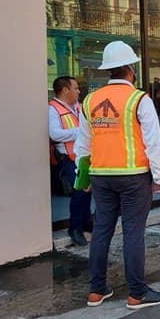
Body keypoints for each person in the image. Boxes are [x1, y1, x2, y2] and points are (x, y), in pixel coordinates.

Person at [75, 41, 160, 310]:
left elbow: (82, 145)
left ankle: (96, 291)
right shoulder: (139, 99)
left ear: (109, 71)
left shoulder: (90, 100)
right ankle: (137, 294)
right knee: (133, 232)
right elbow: (153, 142)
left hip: (100, 175)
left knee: (102, 230)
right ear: (130, 69)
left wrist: (81, 179)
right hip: (133, 177)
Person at [49, 76, 93, 246]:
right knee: (78, 192)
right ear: (65, 90)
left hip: (84, 156)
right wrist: (80, 131)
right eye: (75, 88)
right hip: (68, 158)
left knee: (87, 190)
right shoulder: (53, 109)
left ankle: (86, 221)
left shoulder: (79, 107)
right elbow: (54, 133)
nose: (79, 91)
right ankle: (75, 227)